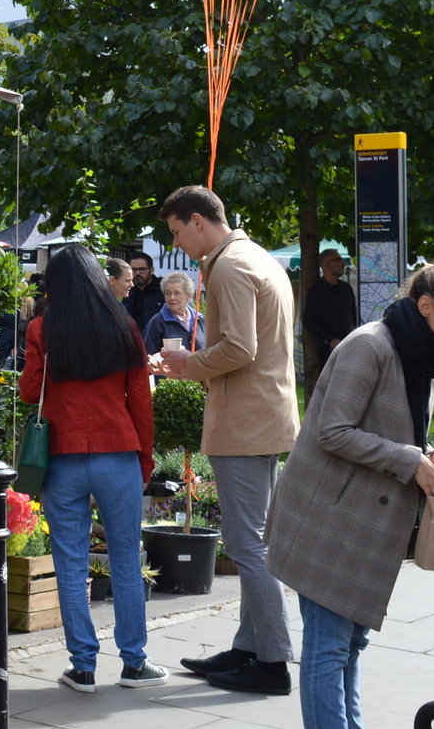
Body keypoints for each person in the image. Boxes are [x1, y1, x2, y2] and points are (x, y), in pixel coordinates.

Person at [268, 248, 434, 729]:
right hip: (330, 521)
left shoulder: (417, 351)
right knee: (329, 648)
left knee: (349, 647)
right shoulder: (371, 344)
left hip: (360, 524)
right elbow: (331, 429)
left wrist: (425, 452)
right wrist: (409, 458)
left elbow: (393, 431)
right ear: (426, 304)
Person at [151, 188, 300, 698]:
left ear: (197, 221)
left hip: (245, 421)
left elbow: (238, 348)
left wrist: (185, 366)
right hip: (262, 416)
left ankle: (272, 659)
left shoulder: (231, 266)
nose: (177, 243)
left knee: (248, 545)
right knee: (255, 540)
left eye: (175, 231)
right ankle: (251, 648)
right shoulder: (255, 257)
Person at [20, 246, 162, 693]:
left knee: (70, 562)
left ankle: (82, 665)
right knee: (124, 557)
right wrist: (145, 457)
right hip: (117, 451)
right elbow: (140, 399)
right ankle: (134, 663)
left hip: (61, 456)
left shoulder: (42, 328)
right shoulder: (124, 326)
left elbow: (28, 393)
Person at [303, 247, 358, 379]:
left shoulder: (346, 288)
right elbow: (309, 320)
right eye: (338, 260)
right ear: (326, 264)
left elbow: (353, 315)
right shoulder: (317, 292)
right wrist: (329, 340)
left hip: (350, 346)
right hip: (329, 351)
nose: (343, 263)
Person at [141, 271, 206, 353]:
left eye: (177, 293)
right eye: (168, 293)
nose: (172, 297)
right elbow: (147, 354)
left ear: (188, 295)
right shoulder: (157, 322)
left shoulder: (199, 319)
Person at [126, 252, 163, 340]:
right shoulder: (126, 291)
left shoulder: (163, 289)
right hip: (132, 341)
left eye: (142, 269)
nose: (138, 273)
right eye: (134, 269)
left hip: (157, 342)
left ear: (151, 270)